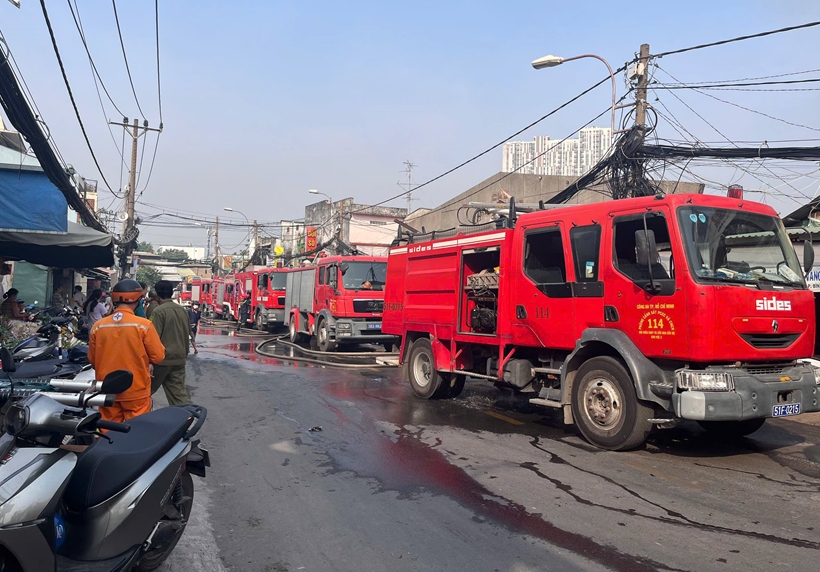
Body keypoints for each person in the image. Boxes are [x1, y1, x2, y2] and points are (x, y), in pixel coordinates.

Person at [88, 279, 165, 422]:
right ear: (137, 300)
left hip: (107, 388)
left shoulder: (98, 326)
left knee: (107, 430)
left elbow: (92, 360)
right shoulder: (144, 325)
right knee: (136, 430)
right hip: (136, 390)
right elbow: (158, 356)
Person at [150, 280, 193, 405]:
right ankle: (185, 416)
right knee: (179, 396)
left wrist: (149, 362)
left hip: (162, 360)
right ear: (172, 293)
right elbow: (188, 333)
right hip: (179, 359)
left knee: (143, 392)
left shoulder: (158, 311)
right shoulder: (182, 310)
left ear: (156, 294)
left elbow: (152, 338)